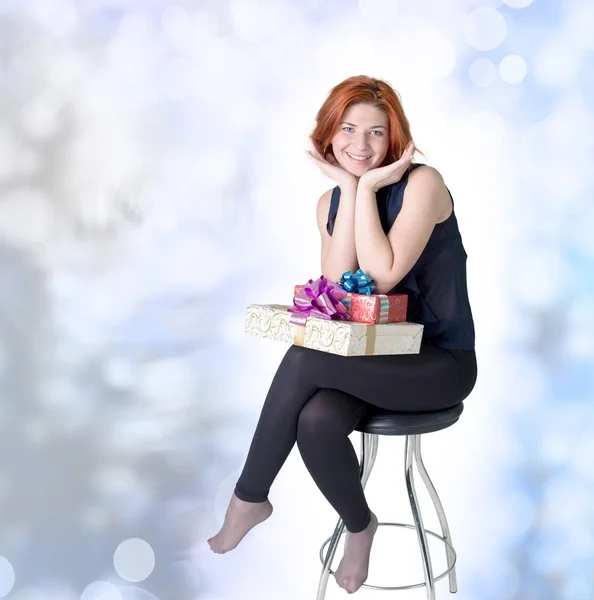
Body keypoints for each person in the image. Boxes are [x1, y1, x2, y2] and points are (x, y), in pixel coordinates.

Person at [207, 75, 478, 595]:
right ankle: (361, 527)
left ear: (395, 138)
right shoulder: (330, 203)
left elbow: (380, 276)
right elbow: (337, 290)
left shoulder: (424, 184)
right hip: (368, 359)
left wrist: (371, 187)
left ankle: (248, 497)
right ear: (329, 135)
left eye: (377, 132)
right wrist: (352, 191)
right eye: (349, 129)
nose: (361, 144)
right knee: (315, 419)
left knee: (306, 356)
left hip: (438, 364)